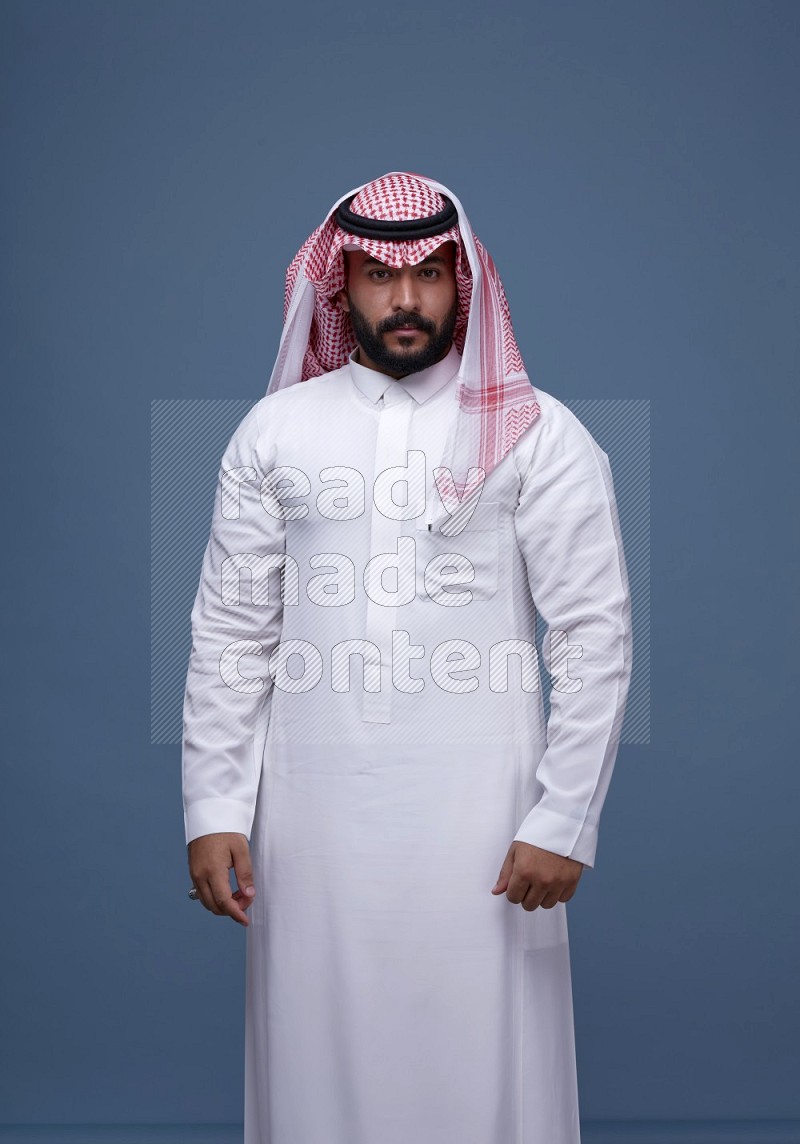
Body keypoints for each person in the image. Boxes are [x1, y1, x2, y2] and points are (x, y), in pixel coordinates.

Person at [181, 171, 633, 1144]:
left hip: (487, 819)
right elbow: (230, 632)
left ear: (461, 282)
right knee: (314, 1061)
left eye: (429, 273)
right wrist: (214, 805)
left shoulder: (538, 436)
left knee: (485, 1070)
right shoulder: (277, 433)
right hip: (312, 821)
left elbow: (593, 636)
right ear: (337, 284)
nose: (405, 300)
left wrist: (565, 817)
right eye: (381, 278)